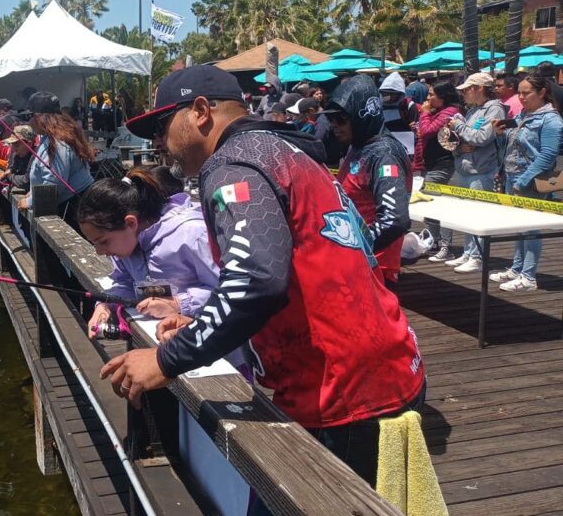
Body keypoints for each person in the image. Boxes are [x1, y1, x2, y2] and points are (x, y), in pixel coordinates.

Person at [103, 65, 425, 495]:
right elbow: (281, 272)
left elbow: (255, 279)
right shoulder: (282, 148)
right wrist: (201, 324)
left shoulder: (233, 164)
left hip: (344, 394)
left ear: (201, 111)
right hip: (381, 369)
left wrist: (165, 360)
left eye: (163, 126)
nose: (158, 143)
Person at [77, 168, 229, 342]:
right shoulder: (125, 246)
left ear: (130, 223)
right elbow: (125, 283)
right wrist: (106, 305)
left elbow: (229, 289)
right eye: (93, 243)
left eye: (103, 242)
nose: (99, 252)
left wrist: (178, 304)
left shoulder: (192, 233)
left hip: (212, 342)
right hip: (161, 341)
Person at [326, 75, 412, 288]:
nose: (334, 126)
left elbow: (395, 220)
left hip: (374, 268)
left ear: (363, 115)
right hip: (355, 265)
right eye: (330, 119)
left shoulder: (384, 153)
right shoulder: (359, 145)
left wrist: (352, 247)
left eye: (341, 119)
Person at [490, 74, 562, 291]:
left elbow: (548, 155)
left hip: (531, 180)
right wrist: (500, 135)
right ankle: (517, 268)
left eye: (526, 93)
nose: (520, 97)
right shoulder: (523, 114)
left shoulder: (550, 119)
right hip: (514, 175)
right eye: (519, 92)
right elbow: (512, 146)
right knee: (520, 228)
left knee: (531, 229)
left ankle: (528, 277)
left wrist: (522, 180)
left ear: (542, 92)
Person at [443, 72, 507, 275]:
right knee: (467, 214)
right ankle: (469, 252)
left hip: (481, 170)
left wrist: (460, 126)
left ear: (479, 88)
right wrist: (462, 143)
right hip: (466, 168)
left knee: (479, 215)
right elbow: (465, 140)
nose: (464, 94)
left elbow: (481, 138)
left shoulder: (494, 109)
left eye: (467, 89)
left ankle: (477, 257)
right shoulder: (474, 110)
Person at [19, 92, 96, 230]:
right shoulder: (55, 136)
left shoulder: (57, 142)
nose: (28, 122)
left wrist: (30, 201)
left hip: (72, 209)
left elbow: (54, 184)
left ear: (39, 118)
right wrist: (34, 191)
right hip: (75, 204)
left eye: (30, 116)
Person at [414, 82, 463, 262]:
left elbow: (427, 131)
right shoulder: (438, 112)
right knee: (429, 204)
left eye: (432, 95)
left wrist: (424, 114)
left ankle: (445, 246)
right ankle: (434, 241)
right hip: (430, 163)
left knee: (438, 206)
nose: (428, 99)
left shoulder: (450, 112)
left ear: (443, 96)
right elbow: (425, 131)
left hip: (442, 164)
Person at [0, 124, 35, 193]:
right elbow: (11, 172)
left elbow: (26, 181)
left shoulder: (35, 158)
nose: (14, 149)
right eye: (12, 145)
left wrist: (9, 176)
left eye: (17, 145)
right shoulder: (16, 156)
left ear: (29, 144)